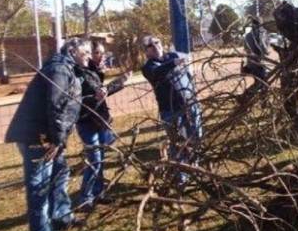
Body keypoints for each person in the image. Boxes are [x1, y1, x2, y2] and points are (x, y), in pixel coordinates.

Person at [5, 37, 91, 231]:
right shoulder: (59, 70)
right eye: (86, 51)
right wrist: (56, 140)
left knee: (59, 174)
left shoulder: (68, 69)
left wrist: (59, 140)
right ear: (73, 50)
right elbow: (57, 107)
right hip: (38, 136)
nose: (89, 56)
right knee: (40, 185)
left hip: (51, 136)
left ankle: (62, 216)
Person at [76, 41, 132, 211]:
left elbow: (102, 92)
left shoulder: (95, 71)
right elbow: (92, 95)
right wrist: (119, 81)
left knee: (100, 157)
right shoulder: (81, 71)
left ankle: (98, 193)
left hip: (100, 119)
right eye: (97, 53)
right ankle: (86, 198)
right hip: (87, 121)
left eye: (102, 52)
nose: (101, 56)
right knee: (94, 158)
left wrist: (120, 81)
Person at [141, 35, 203, 181]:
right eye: (150, 45)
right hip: (170, 110)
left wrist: (193, 93)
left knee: (197, 136)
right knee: (178, 142)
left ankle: (195, 167)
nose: (155, 46)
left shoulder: (173, 56)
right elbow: (157, 72)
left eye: (157, 42)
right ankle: (181, 175)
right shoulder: (148, 67)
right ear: (146, 51)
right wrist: (173, 63)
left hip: (190, 103)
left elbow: (186, 75)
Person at [243, 16, 269, 82]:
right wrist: (266, 52)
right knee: (263, 81)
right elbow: (263, 47)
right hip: (259, 61)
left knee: (257, 80)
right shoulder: (262, 33)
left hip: (250, 61)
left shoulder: (248, 35)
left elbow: (246, 49)